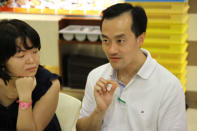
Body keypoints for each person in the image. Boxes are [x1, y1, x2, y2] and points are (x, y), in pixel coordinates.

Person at [76, 3, 187, 131]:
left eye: (120, 41)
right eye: (106, 40)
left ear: (140, 39)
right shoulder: (96, 76)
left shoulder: (169, 87)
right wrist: (99, 111)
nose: (111, 50)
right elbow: (81, 129)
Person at [0, 19, 61, 131]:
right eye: (21, 56)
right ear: (2, 60)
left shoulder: (50, 83)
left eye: (35, 52)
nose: (32, 61)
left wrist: (25, 97)